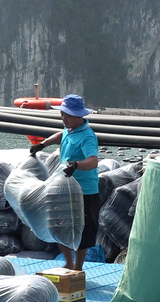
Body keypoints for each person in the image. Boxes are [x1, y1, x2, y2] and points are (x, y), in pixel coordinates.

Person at [29, 94, 99, 271]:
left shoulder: (87, 137)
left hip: (84, 191)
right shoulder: (69, 128)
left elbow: (93, 161)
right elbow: (62, 135)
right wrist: (43, 144)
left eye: (67, 115)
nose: (64, 118)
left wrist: (76, 165)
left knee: (82, 230)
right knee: (60, 225)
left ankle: (77, 267)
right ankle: (68, 261)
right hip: (65, 187)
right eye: (62, 114)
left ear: (78, 116)